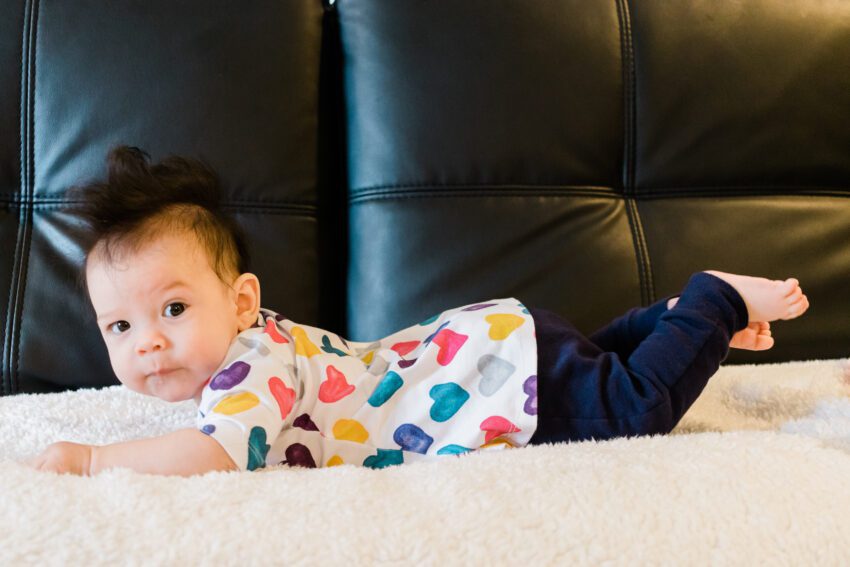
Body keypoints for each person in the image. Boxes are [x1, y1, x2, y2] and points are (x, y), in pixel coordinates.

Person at [27, 146, 810, 476]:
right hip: (492, 351)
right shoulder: (253, 345)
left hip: (489, 381)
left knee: (633, 408)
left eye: (171, 307)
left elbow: (213, 453)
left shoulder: (250, 368)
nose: (148, 342)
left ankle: (710, 300)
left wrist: (94, 460)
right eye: (120, 326)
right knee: (598, 368)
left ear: (242, 302)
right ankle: (667, 320)